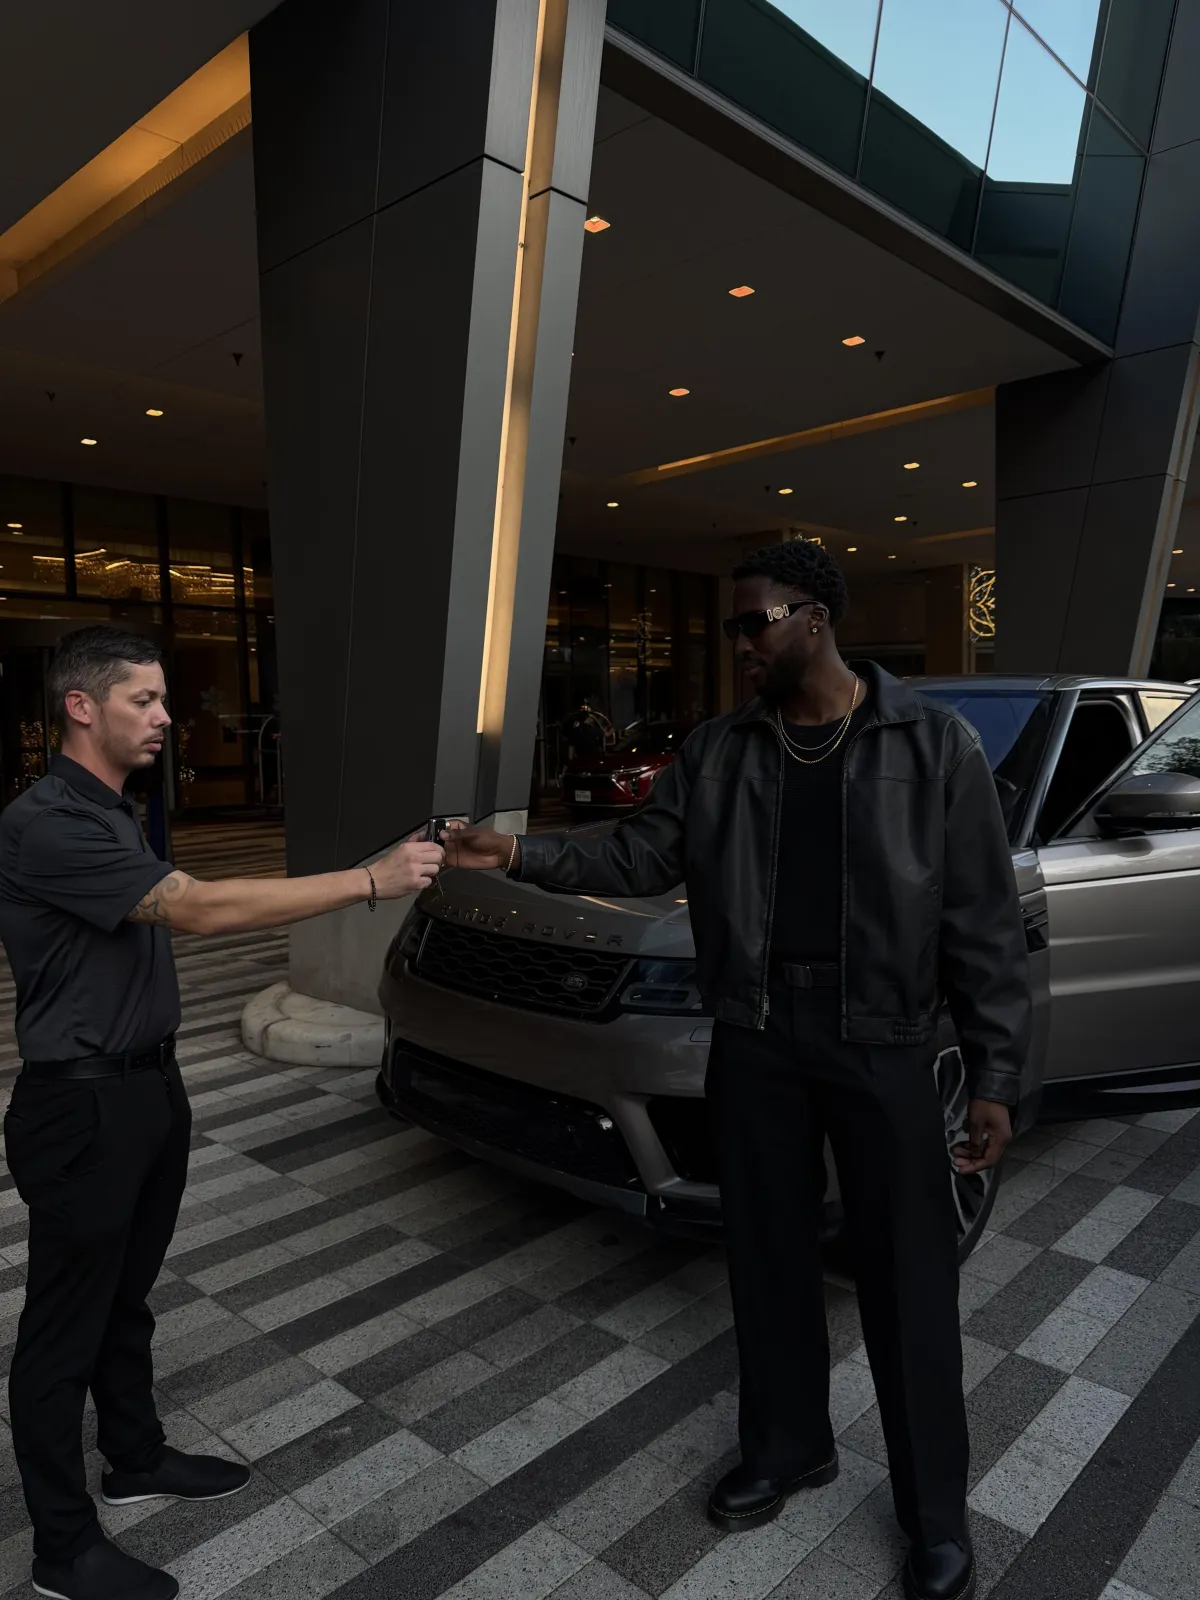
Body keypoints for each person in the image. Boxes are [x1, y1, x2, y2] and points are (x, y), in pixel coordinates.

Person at [446, 540, 1030, 1600]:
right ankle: (788, 1446)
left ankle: (934, 1512)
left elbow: (981, 921)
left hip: (883, 1039)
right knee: (765, 1257)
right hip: (757, 1036)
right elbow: (637, 854)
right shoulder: (721, 749)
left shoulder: (931, 744)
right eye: (732, 626)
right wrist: (519, 852)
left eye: (752, 623)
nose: (739, 645)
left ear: (815, 619)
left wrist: (993, 1073)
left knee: (907, 1278)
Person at [0, 626, 444, 1600]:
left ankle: (134, 1457)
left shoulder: (112, 809)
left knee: (125, 1297)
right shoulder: (47, 821)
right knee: (62, 1331)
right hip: (81, 1105)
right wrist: (372, 879)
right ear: (81, 706)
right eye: (145, 700)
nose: (167, 717)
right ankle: (63, 1550)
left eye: (163, 698)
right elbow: (199, 909)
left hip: (145, 1089)